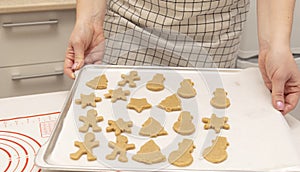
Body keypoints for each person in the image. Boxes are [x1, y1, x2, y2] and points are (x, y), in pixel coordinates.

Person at [64, 0, 300, 115]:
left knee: (205, 133)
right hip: (129, 24)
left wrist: (275, 45)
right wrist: (89, 21)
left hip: (214, 32)